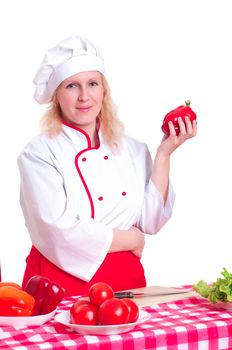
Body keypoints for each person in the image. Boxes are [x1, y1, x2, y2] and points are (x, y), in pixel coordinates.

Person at [18, 36, 197, 296]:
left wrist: (163, 154)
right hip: (58, 284)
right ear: (57, 95)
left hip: (126, 280)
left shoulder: (133, 149)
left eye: (92, 83)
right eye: (71, 86)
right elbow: (56, 229)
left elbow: (151, 220)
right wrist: (130, 239)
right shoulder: (39, 153)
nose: (84, 96)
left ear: (104, 90)